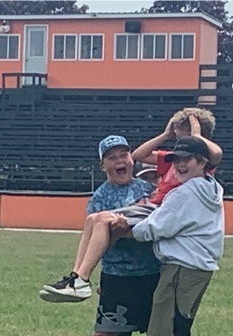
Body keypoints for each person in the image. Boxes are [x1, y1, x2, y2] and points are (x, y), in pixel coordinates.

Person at [41, 108, 221, 305]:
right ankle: (77, 277)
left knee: (100, 220)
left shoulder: (200, 164)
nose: (180, 145)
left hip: (162, 211)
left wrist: (196, 134)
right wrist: (166, 134)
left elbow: (216, 153)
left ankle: (81, 280)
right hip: (154, 209)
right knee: (94, 219)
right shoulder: (173, 160)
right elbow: (138, 154)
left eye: (182, 136)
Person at [112, 136, 224, 336]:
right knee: (170, 331)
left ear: (203, 163)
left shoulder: (185, 192)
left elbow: (158, 227)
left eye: (188, 159)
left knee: (163, 333)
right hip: (196, 265)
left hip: (182, 266)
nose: (180, 165)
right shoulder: (210, 188)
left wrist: (125, 229)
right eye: (177, 159)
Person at [40, 134, 160, 336]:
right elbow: (102, 245)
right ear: (103, 165)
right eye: (112, 158)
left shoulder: (149, 190)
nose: (120, 161)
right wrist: (117, 232)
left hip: (152, 272)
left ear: (132, 159)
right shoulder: (99, 198)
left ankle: (78, 278)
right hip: (117, 275)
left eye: (124, 155)